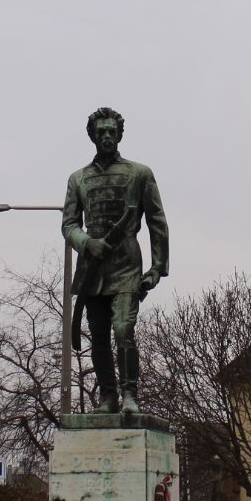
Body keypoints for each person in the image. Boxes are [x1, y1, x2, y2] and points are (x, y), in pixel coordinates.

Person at [62, 106, 168, 414]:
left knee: (123, 328)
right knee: (97, 336)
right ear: (93, 136)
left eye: (111, 131)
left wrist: (158, 268)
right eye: (101, 131)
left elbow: (157, 221)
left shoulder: (139, 173)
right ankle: (108, 397)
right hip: (93, 269)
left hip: (126, 264)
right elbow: (69, 224)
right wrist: (86, 243)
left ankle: (129, 395)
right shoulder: (78, 179)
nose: (107, 136)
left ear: (119, 134)